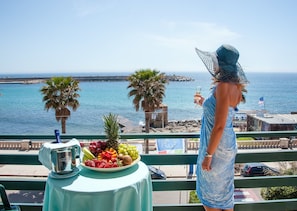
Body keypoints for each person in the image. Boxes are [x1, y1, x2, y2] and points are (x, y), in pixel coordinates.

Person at [194, 44, 248, 211]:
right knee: (223, 193)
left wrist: (208, 155)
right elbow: (225, 112)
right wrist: (204, 103)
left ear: (220, 64)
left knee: (211, 198)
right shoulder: (234, 88)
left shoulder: (223, 86)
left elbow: (219, 125)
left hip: (217, 146)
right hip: (226, 144)